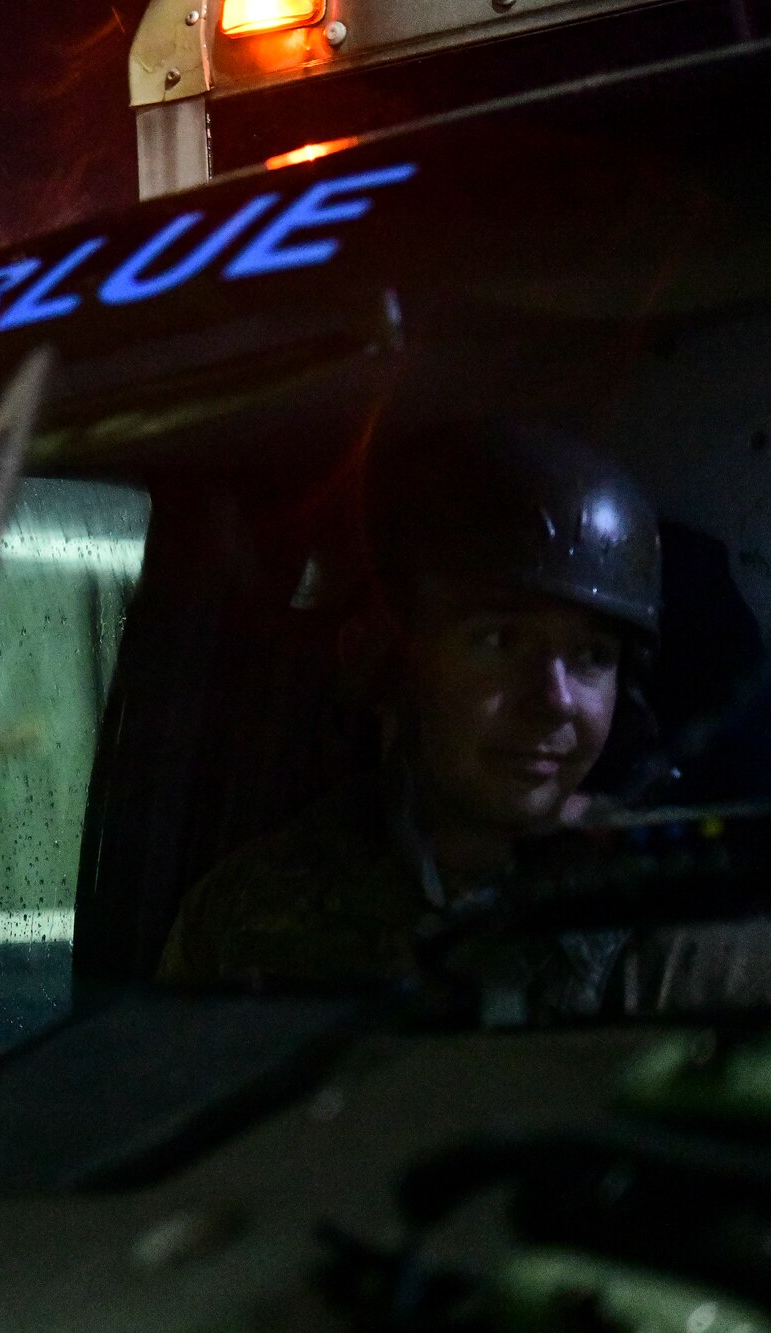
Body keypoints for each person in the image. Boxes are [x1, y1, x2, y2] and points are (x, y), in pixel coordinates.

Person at [158, 422, 665, 1017]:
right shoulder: (248, 914)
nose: (554, 701)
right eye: (501, 640)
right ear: (394, 665)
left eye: (591, 657)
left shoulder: (683, 915)